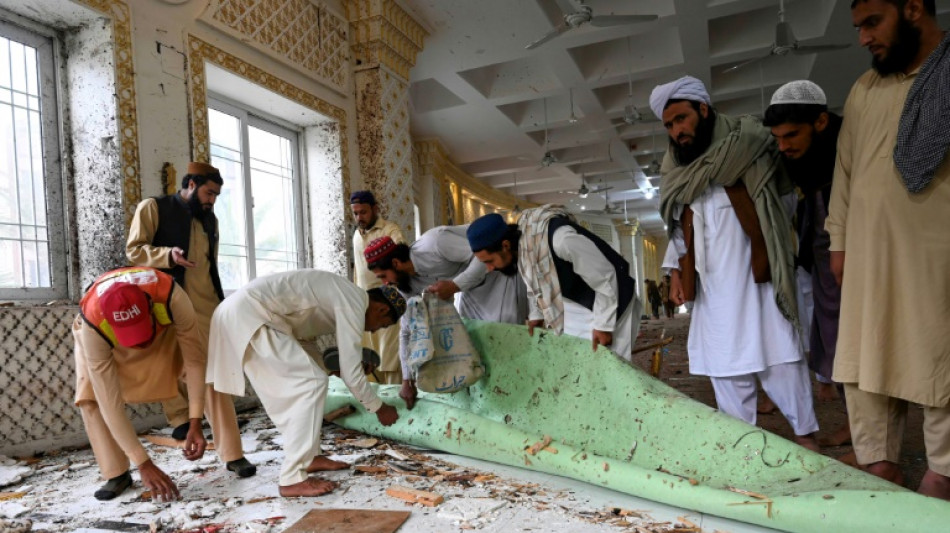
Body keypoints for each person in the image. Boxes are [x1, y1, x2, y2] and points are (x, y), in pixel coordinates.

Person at [649, 75, 820, 451]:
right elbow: (677, 225)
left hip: (759, 283)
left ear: (703, 109)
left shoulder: (751, 145)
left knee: (780, 360)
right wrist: (675, 270)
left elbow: (784, 203)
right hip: (712, 291)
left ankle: (806, 437)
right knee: (725, 367)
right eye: (669, 125)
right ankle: (743, 446)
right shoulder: (677, 171)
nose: (676, 130)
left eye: (681, 119)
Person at [827, 0, 950, 498]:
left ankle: (942, 477)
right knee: (866, 361)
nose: (863, 39)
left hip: (936, 259)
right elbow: (846, 173)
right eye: (858, 27)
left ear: (914, 9)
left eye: (872, 23)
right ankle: (880, 466)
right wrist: (839, 240)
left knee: (941, 361)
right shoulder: (864, 89)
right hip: (869, 258)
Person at [206, 270, 405, 497]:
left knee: (315, 381)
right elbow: (351, 373)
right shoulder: (354, 301)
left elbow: (304, 340)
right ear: (382, 309)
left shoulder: (343, 297)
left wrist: (331, 369)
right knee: (311, 386)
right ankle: (292, 478)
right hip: (252, 315)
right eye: (381, 325)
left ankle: (311, 457)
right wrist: (378, 407)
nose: (373, 330)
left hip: (247, 315)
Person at [73, 267, 253, 503]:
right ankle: (117, 474)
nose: (141, 344)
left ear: (149, 305)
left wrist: (195, 421)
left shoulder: (171, 295)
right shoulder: (93, 326)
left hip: (162, 333)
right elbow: (109, 401)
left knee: (209, 373)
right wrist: (143, 462)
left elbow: (195, 361)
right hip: (111, 346)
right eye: (134, 337)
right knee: (91, 398)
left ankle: (233, 454)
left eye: (140, 330)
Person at [763, 80, 850, 447]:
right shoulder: (800, 163)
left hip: (856, 261)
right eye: (778, 138)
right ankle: (859, 428)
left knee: (860, 347)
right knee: (835, 343)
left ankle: (874, 441)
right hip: (822, 264)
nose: (783, 146)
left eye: (791, 135)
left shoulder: (848, 154)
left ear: (820, 123)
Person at [126, 162, 233, 442]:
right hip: (168, 297)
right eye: (209, 193)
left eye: (216, 196)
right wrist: (166, 256)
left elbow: (212, 263)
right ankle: (180, 418)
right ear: (192, 185)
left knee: (210, 361)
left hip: (207, 299)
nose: (212, 201)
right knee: (171, 360)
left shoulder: (211, 220)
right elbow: (134, 251)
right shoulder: (153, 207)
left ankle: (217, 420)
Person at [363, 226, 527, 409]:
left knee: (505, 329)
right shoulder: (406, 286)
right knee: (472, 337)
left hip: (498, 274)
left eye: (383, 276)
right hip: (469, 289)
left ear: (395, 263)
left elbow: (481, 259)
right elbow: (407, 331)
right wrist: (407, 379)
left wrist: (455, 285)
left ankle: (519, 393)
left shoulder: (435, 243)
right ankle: (492, 400)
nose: (386, 283)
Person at [465, 210, 641, 363]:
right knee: (579, 366)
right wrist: (536, 314)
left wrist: (604, 326)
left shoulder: (560, 240)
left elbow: (606, 278)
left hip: (613, 298)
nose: (489, 269)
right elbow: (532, 279)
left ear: (505, 245)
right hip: (577, 303)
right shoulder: (524, 247)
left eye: (489, 261)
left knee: (610, 368)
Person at [350, 190, 405, 385]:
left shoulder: (390, 231)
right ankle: (375, 406)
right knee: (369, 361)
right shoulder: (356, 234)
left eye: (363, 212)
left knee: (390, 359)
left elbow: (401, 261)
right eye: (355, 213)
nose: (359, 217)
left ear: (375, 209)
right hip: (364, 308)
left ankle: (398, 404)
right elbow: (358, 272)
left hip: (387, 307)